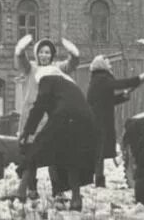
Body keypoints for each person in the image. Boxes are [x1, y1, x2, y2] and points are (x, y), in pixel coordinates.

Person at [18, 66, 97, 210]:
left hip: (64, 116)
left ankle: (21, 191)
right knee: (72, 157)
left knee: (36, 149)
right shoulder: (68, 84)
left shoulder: (46, 79)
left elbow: (39, 107)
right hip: (86, 120)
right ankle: (76, 198)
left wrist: (27, 131)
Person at [13, 34, 80, 199]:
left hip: (50, 119)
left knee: (55, 156)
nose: (44, 55)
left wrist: (73, 53)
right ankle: (31, 188)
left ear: (52, 55)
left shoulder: (57, 69)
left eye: (47, 52)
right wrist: (21, 49)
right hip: (33, 118)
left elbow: (72, 64)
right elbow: (21, 60)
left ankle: (57, 189)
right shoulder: (31, 69)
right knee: (31, 154)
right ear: (37, 54)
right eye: (41, 52)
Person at [87, 56, 144, 187]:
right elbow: (120, 84)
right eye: (108, 63)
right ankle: (98, 181)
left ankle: (99, 179)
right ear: (102, 65)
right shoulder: (101, 78)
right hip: (99, 120)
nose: (110, 66)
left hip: (99, 119)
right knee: (99, 151)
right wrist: (138, 79)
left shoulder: (98, 79)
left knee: (100, 150)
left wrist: (122, 97)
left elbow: (107, 100)